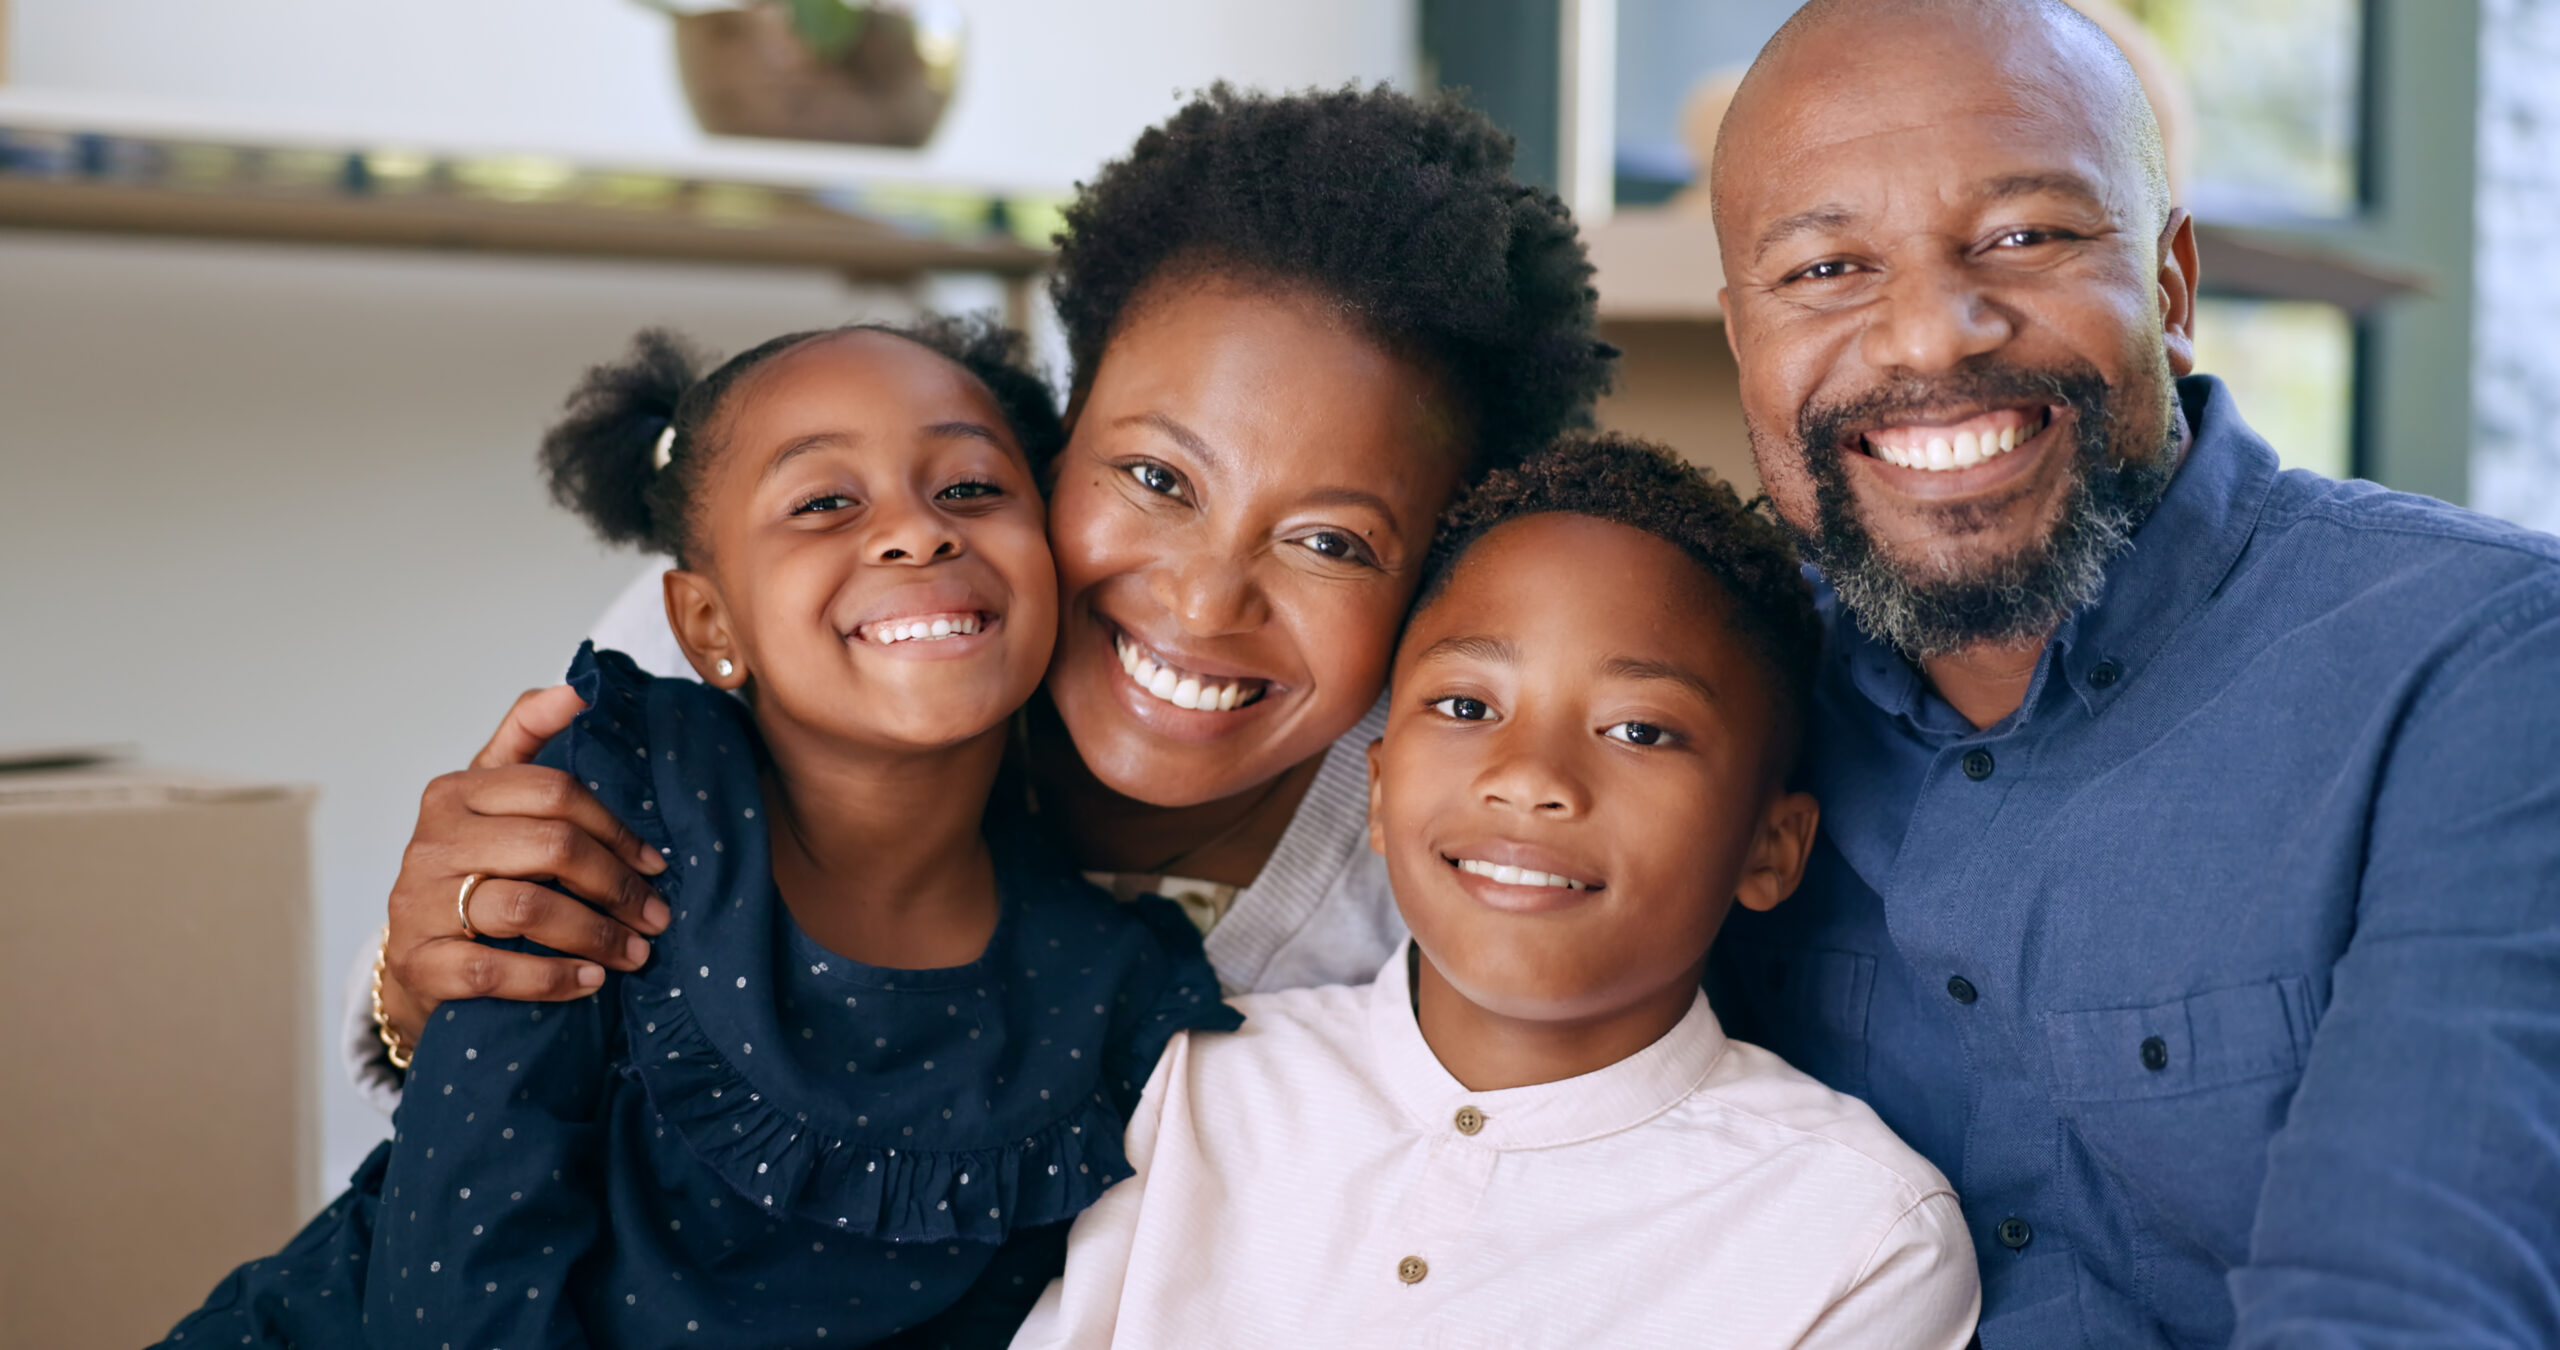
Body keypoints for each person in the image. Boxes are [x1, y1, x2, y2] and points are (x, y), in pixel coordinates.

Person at [344, 86, 1616, 1111]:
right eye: (1157, 475)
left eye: (1332, 543)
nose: (1203, 596)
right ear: (1055, 440)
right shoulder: (767, 644)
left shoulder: (1451, 853)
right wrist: (424, 982)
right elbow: (448, 1047)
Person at [1701, 1, 2560, 1345]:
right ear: (1745, 337)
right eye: (1826, 269)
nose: (1932, 336)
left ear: (2169, 289)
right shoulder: (1705, 697)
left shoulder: (2485, 660)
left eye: (2025, 237)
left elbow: (2403, 1307)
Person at [159, 316, 1240, 1349]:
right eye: (824, 502)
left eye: (968, 486)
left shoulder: (1117, 987)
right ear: (708, 628)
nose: (918, 528)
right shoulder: (613, 801)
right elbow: (461, 1259)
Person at [1014, 436, 1979, 1349]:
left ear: (1771, 847)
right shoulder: (1187, 1084)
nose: (1530, 777)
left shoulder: (1857, 1232)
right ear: (1381, 790)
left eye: (1641, 730)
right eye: (1468, 706)